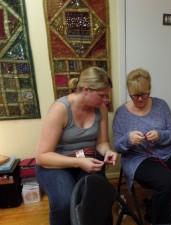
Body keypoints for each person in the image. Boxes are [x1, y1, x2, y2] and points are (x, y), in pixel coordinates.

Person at [113, 68, 171, 225]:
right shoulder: (121, 113)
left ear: (150, 89)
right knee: (167, 183)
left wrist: (160, 136)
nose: (140, 99)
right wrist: (128, 139)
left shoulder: (161, 105)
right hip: (138, 158)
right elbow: (118, 147)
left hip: (168, 152)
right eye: (135, 95)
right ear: (129, 91)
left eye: (144, 94)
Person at [35, 66, 117, 225]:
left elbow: (101, 142)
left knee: (98, 199)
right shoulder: (60, 109)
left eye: (107, 96)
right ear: (86, 90)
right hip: (55, 164)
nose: (105, 100)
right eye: (102, 95)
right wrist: (79, 162)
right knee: (65, 203)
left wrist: (107, 151)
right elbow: (42, 156)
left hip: (85, 161)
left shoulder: (101, 109)